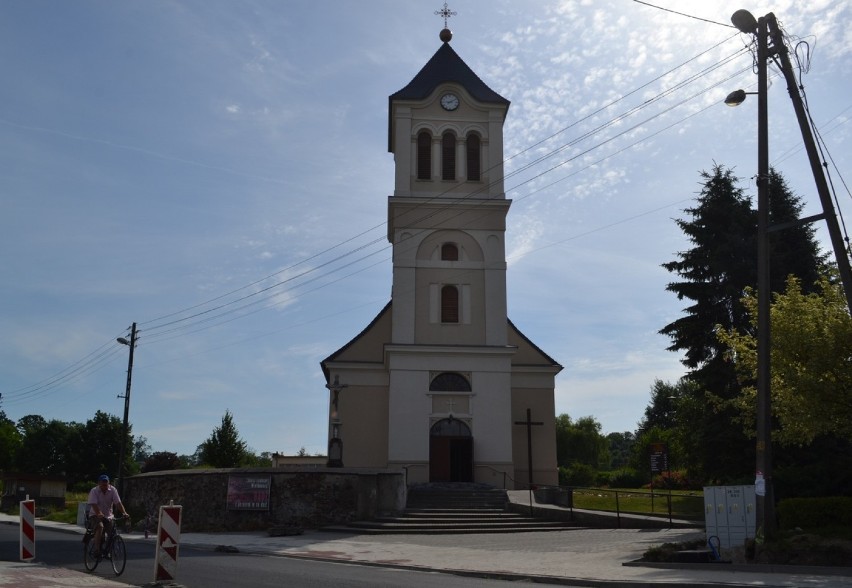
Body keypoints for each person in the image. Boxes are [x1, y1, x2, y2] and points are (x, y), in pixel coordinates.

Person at [87, 474, 128, 556]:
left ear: (109, 483)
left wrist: (124, 513)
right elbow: (94, 504)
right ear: (99, 484)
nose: (105, 486)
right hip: (95, 515)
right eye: (103, 484)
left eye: (106, 484)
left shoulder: (113, 490)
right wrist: (99, 513)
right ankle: (97, 549)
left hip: (108, 516)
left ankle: (109, 550)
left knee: (112, 532)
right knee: (100, 527)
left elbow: (118, 503)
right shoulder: (94, 491)